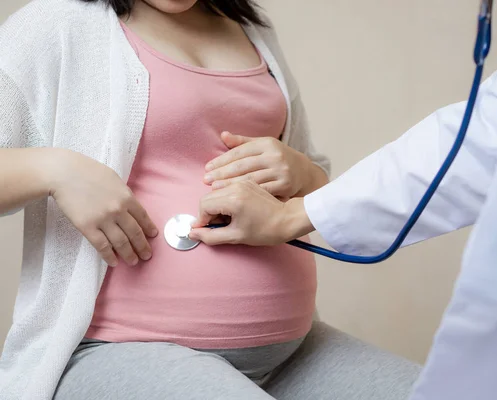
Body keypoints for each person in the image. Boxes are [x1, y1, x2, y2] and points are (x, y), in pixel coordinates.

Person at [0, 0, 421, 399]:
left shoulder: (251, 27)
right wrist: (54, 170)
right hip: (122, 349)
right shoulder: (58, 24)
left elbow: (313, 180)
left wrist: (305, 173)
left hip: (295, 353)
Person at [192, 0, 497, 399]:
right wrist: (300, 213)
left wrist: (301, 200)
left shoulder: (251, 28)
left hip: (295, 349)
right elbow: (494, 132)